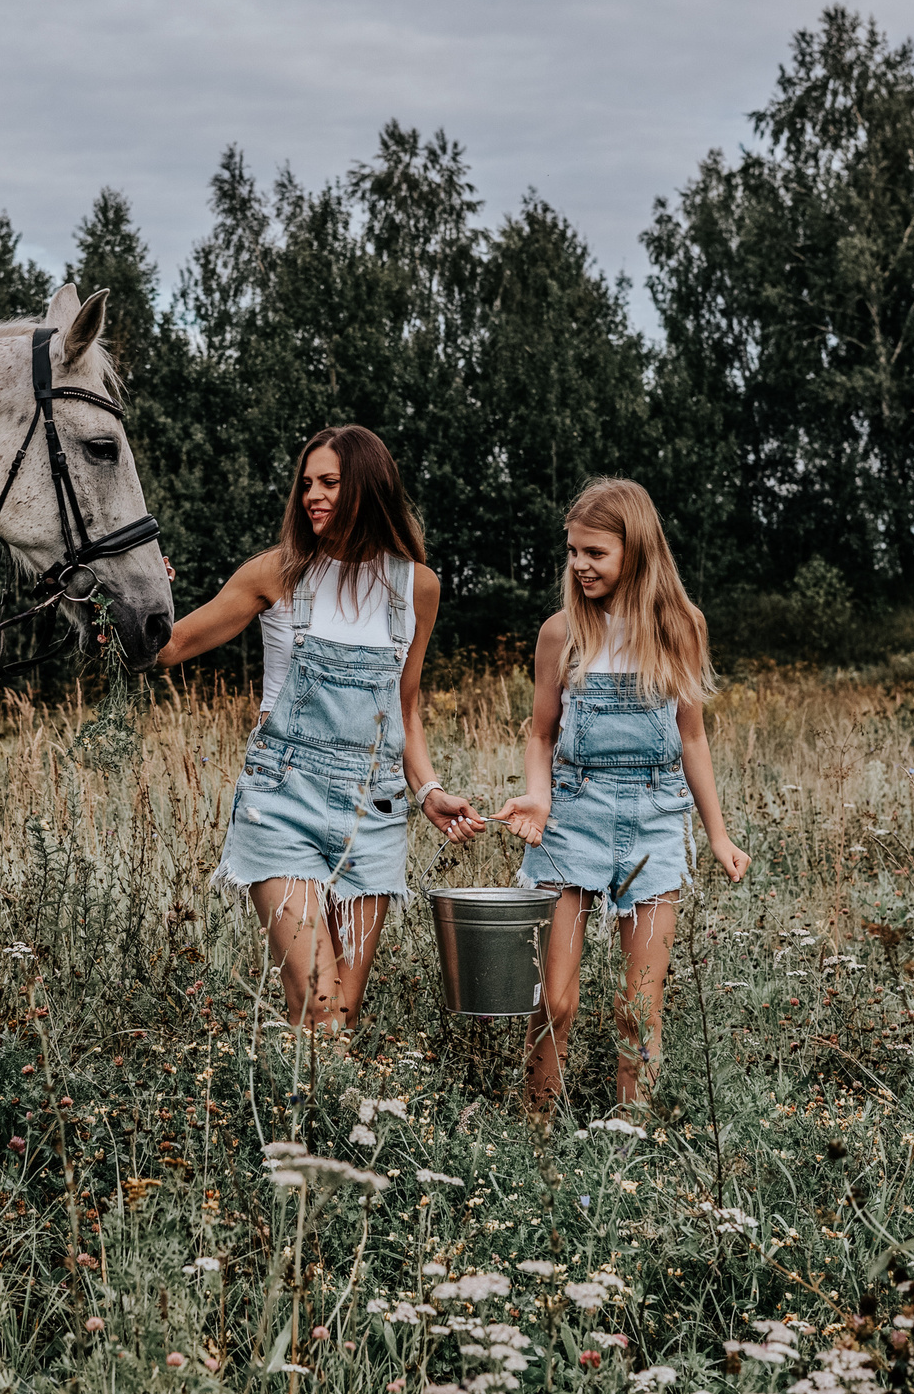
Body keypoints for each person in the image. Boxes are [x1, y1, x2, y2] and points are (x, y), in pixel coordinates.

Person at [156, 426, 479, 1033]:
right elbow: (169, 648)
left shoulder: (417, 586)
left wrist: (428, 790)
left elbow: (405, 706)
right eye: (307, 483)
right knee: (317, 1004)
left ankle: (318, 1128)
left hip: (374, 811)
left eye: (330, 482)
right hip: (283, 803)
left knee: (342, 1019)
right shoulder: (277, 573)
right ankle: (296, 1128)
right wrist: (137, 595)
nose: (313, 496)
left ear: (368, 486)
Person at [494, 478, 749, 1108]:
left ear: (635, 552)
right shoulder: (561, 634)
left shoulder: (680, 629)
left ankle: (631, 1141)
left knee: (639, 1007)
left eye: (595, 553)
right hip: (572, 818)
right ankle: (540, 1131)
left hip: (656, 822)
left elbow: (692, 738)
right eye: (573, 551)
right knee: (554, 1000)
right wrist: (539, 797)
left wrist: (716, 835)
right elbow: (541, 732)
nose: (579, 565)